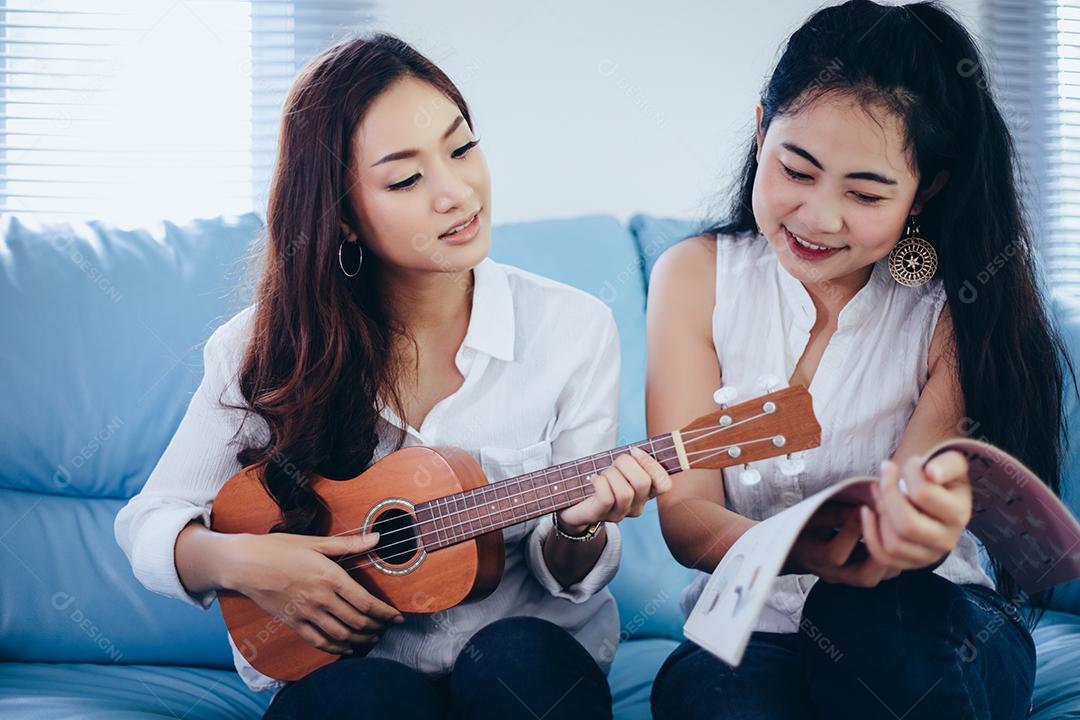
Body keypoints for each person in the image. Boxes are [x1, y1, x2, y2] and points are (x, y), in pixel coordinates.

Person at [115, 33, 671, 720]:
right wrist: (246, 565)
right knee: (369, 698)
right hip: (345, 672)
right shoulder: (260, 348)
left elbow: (568, 576)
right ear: (343, 218)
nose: (456, 192)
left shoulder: (574, 328)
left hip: (520, 664)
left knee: (520, 662)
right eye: (407, 179)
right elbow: (148, 525)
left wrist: (580, 529)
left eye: (462, 148)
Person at [646, 2, 1072, 719]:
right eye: (797, 170)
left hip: (931, 621)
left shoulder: (952, 311)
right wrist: (800, 550)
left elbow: (912, 516)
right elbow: (688, 514)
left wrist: (918, 528)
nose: (818, 217)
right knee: (716, 693)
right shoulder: (693, 278)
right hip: (757, 625)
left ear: (923, 191)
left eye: (865, 192)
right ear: (760, 132)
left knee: (875, 619)